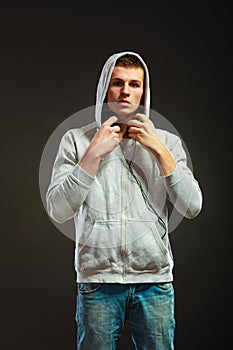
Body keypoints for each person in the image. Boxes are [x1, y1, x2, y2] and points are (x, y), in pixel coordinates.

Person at [46, 51, 203, 350]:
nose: (126, 92)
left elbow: (192, 207)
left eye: (134, 84)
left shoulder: (167, 142)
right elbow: (58, 209)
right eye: (118, 83)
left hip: (154, 282)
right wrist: (92, 154)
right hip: (98, 282)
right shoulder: (76, 140)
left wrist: (159, 151)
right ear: (106, 88)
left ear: (144, 91)